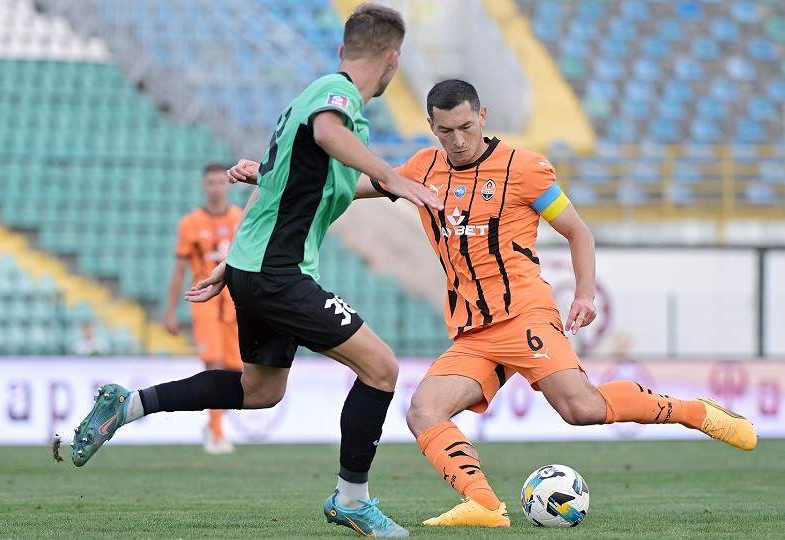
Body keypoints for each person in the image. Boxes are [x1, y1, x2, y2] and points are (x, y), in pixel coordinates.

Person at [230, 78, 759, 529]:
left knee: (581, 410)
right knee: (423, 411)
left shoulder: (525, 169)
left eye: (466, 126)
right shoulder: (422, 167)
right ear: (431, 126)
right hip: (473, 331)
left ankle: (697, 413)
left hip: (525, 314)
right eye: (445, 131)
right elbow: (344, 185)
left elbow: (578, 232)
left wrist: (584, 293)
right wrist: (270, 173)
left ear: (482, 116)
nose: (458, 140)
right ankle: (484, 504)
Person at [69, 3, 441, 538]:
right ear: (392, 60)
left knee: (261, 390)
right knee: (381, 368)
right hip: (277, 272)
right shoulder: (333, 98)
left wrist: (394, 185)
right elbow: (330, 134)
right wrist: (393, 175)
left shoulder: (310, 107)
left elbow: (295, 187)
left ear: (344, 49)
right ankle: (351, 500)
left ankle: (128, 406)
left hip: (256, 267)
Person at [163, 163, 242, 454]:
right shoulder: (191, 223)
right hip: (204, 300)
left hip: (236, 302)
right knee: (214, 363)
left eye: (221, 182)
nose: (216, 187)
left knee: (236, 368)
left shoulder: (240, 217)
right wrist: (170, 310)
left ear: (227, 185)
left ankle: (213, 424)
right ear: (203, 186)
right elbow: (179, 269)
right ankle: (217, 431)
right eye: (211, 182)